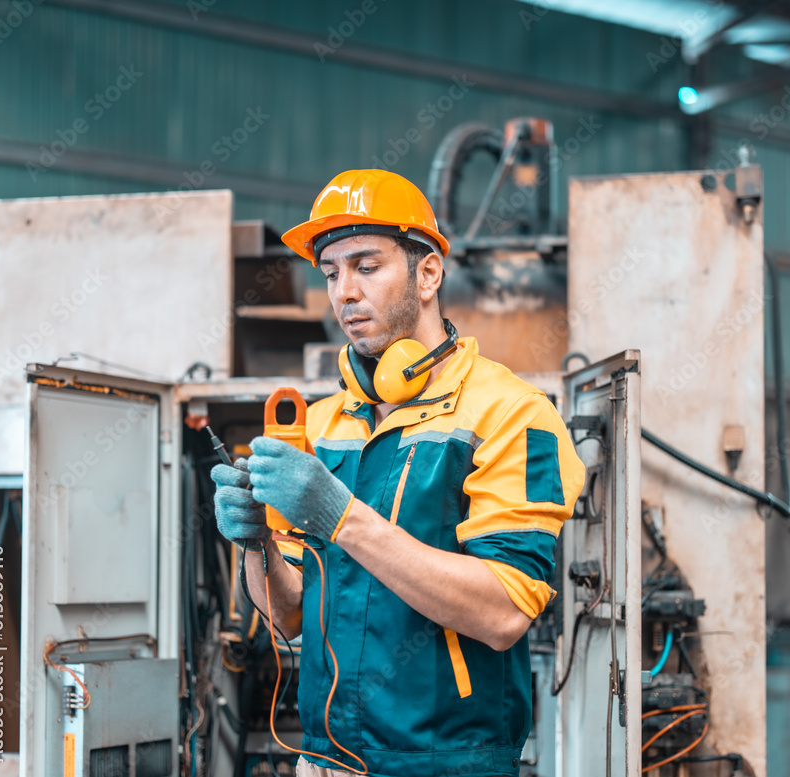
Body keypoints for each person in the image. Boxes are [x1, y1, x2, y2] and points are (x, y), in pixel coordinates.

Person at [211, 169, 584, 777]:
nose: (344, 293)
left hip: (446, 764)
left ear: (428, 272)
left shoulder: (511, 413)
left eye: (366, 265)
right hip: (323, 761)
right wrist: (255, 547)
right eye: (331, 272)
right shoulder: (325, 421)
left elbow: (504, 614)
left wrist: (343, 518)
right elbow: (290, 615)